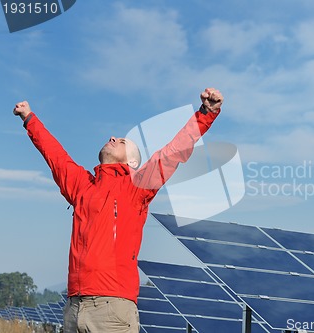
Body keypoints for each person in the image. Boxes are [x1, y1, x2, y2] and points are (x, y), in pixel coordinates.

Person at [13, 88, 224, 333]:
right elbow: (55, 155)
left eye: (122, 141)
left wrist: (206, 113)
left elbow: (173, 152)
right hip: (73, 307)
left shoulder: (137, 187)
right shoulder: (82, 186)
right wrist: (29, 118)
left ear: (132, 163)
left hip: (112, 308)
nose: (113, 137)